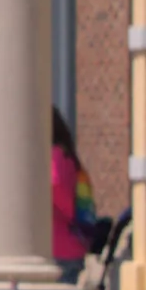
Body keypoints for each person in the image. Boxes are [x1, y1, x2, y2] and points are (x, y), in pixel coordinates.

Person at [48, 110, 93, 276]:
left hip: (60, 247)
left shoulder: (55, 155)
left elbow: (57, 186)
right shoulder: (68, 157)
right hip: (71, 247)